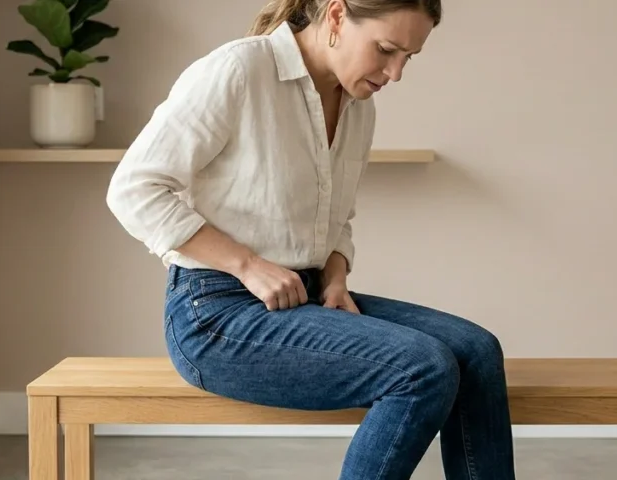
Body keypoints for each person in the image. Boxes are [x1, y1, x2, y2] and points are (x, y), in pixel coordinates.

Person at [105, 0, 516, 478]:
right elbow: (133, 189)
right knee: (421, 368)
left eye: (409, 57)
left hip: (306, 295)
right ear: (337, 16)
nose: (396, 73)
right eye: (386, 49)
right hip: (214, 316)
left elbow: (336, 218)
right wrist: (245, 264)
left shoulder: (358, 108)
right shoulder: (238, 70)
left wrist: (335, 277)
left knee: (477, 350)